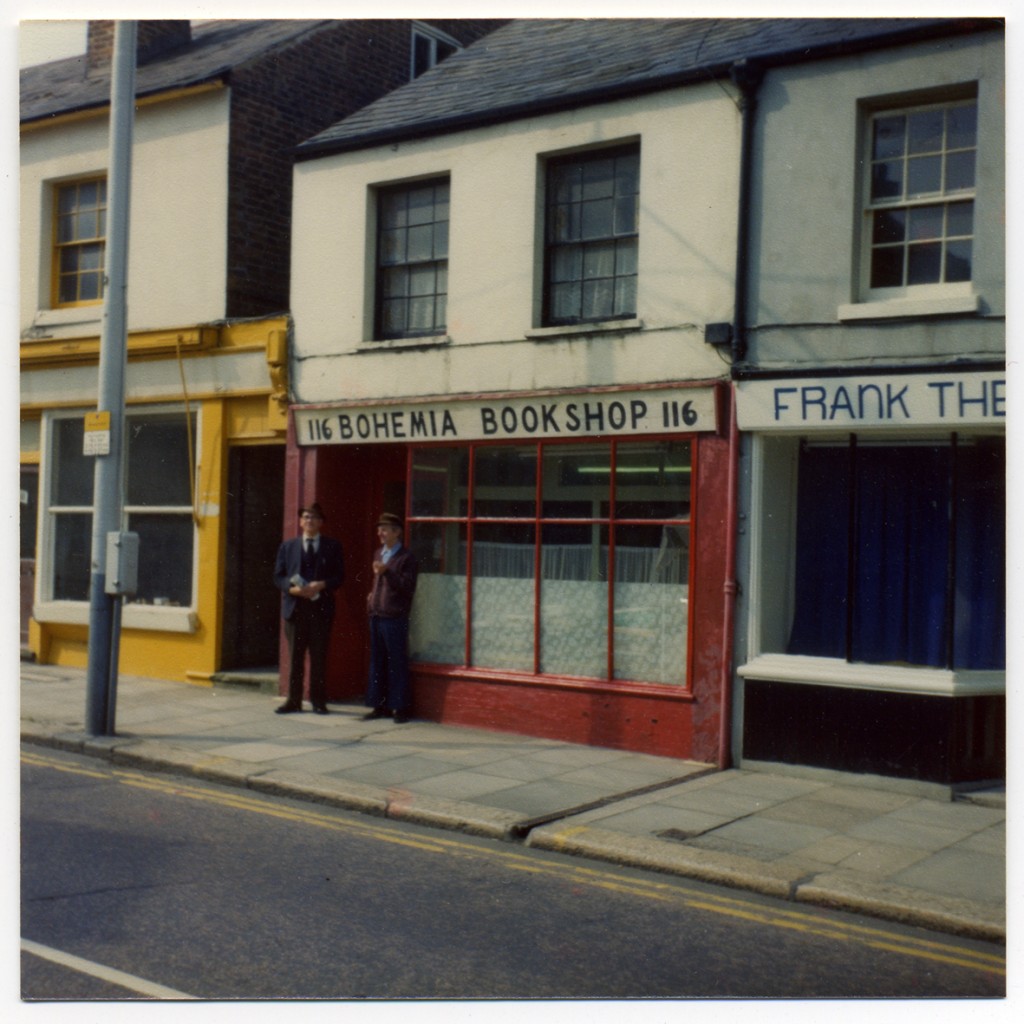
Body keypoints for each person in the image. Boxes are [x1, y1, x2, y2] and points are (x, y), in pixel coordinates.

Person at [273, 502, 344, 715]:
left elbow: (339, 577)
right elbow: (278, 576)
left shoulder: (333, 546)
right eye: (305, 517)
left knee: (319, 657)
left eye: (313, 517)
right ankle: (293, 701)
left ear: (321, 522)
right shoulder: (288, 547)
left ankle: (318, 701)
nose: (309, 521)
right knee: (295, 657)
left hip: (320, 610)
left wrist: (321, 585)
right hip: (295, 610)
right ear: (300, 521)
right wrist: (291, 589)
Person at [362, 512, 418, 724]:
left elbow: (407, 587)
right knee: (377, 661)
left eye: (385, 529)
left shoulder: (406, 558)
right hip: (376, 614)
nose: (380, 533)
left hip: (394, 616)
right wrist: (371, 596)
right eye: (379, 529)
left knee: (396, 661)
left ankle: (399, 707)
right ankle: (378, 705)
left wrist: (387, 573)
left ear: (397, 532)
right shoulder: (379, 553)